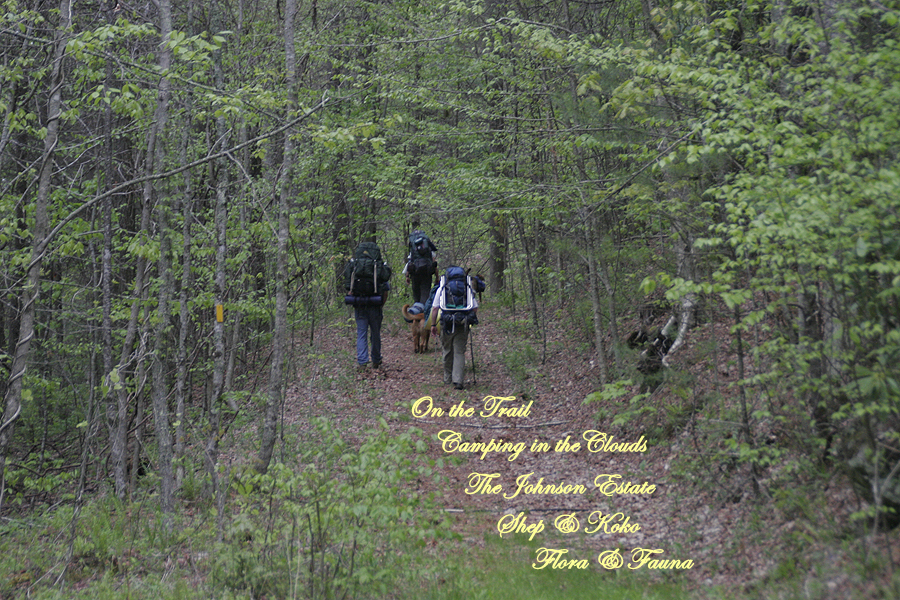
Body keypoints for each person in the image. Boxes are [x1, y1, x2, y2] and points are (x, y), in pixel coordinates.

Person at [429, 266, 484, 390]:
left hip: (447, 323)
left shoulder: (443, 287)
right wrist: (469, 319)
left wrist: (433, 325)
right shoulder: (467, 287)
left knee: (447, 350)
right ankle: (458, 380)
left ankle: (447, 378)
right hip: (462, 323)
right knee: (459, 352)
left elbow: (435, 308)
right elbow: (475, 307)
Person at [343, 241, 392, 370]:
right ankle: (376, 360)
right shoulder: (379, 265)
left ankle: (362, 362)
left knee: (361, 333)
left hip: (359, 303)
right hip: (375, 305)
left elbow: (348, 286)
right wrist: (381, 303)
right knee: (375, 333)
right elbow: (386, 283)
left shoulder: (354, 265)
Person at [404, 230, 438, 305]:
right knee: (425, 293)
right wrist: (437, 277)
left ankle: (417, 312)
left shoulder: (413, 249)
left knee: (416, 295)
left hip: (415, 273)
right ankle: (424, 313)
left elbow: (409, 262)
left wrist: (407, 276)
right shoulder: (429, 249)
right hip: (427, 273)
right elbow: (434, 263)